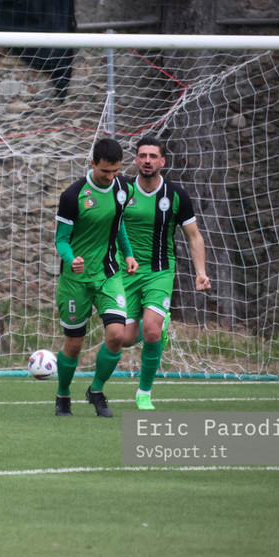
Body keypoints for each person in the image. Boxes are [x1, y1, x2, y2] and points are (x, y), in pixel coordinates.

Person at [120, 136, 210, 410]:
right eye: (142, 156)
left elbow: (194, 236)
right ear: (136, 160)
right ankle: (159, 321)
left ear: (162, 161)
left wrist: (200, 272)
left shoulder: (175, 195)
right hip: (126, 271)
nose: (147, 161)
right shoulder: (122, 190)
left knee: (151, 331)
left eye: (152, 156)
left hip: (160, 270)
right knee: (124, 338)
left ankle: (144, 393)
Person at [52, 138, 138, 418]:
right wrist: (71, 259)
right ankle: (63, 395)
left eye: (115, 171)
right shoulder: (72, 196)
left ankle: (96, 391)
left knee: (117, 335)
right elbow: (61, 239)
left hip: (108, 274)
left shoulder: (124, 188)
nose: (110, 177)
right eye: (105, 171)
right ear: (92, 163)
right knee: (74, 344)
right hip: (75, 280)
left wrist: (128, 254)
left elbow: (118, 224)